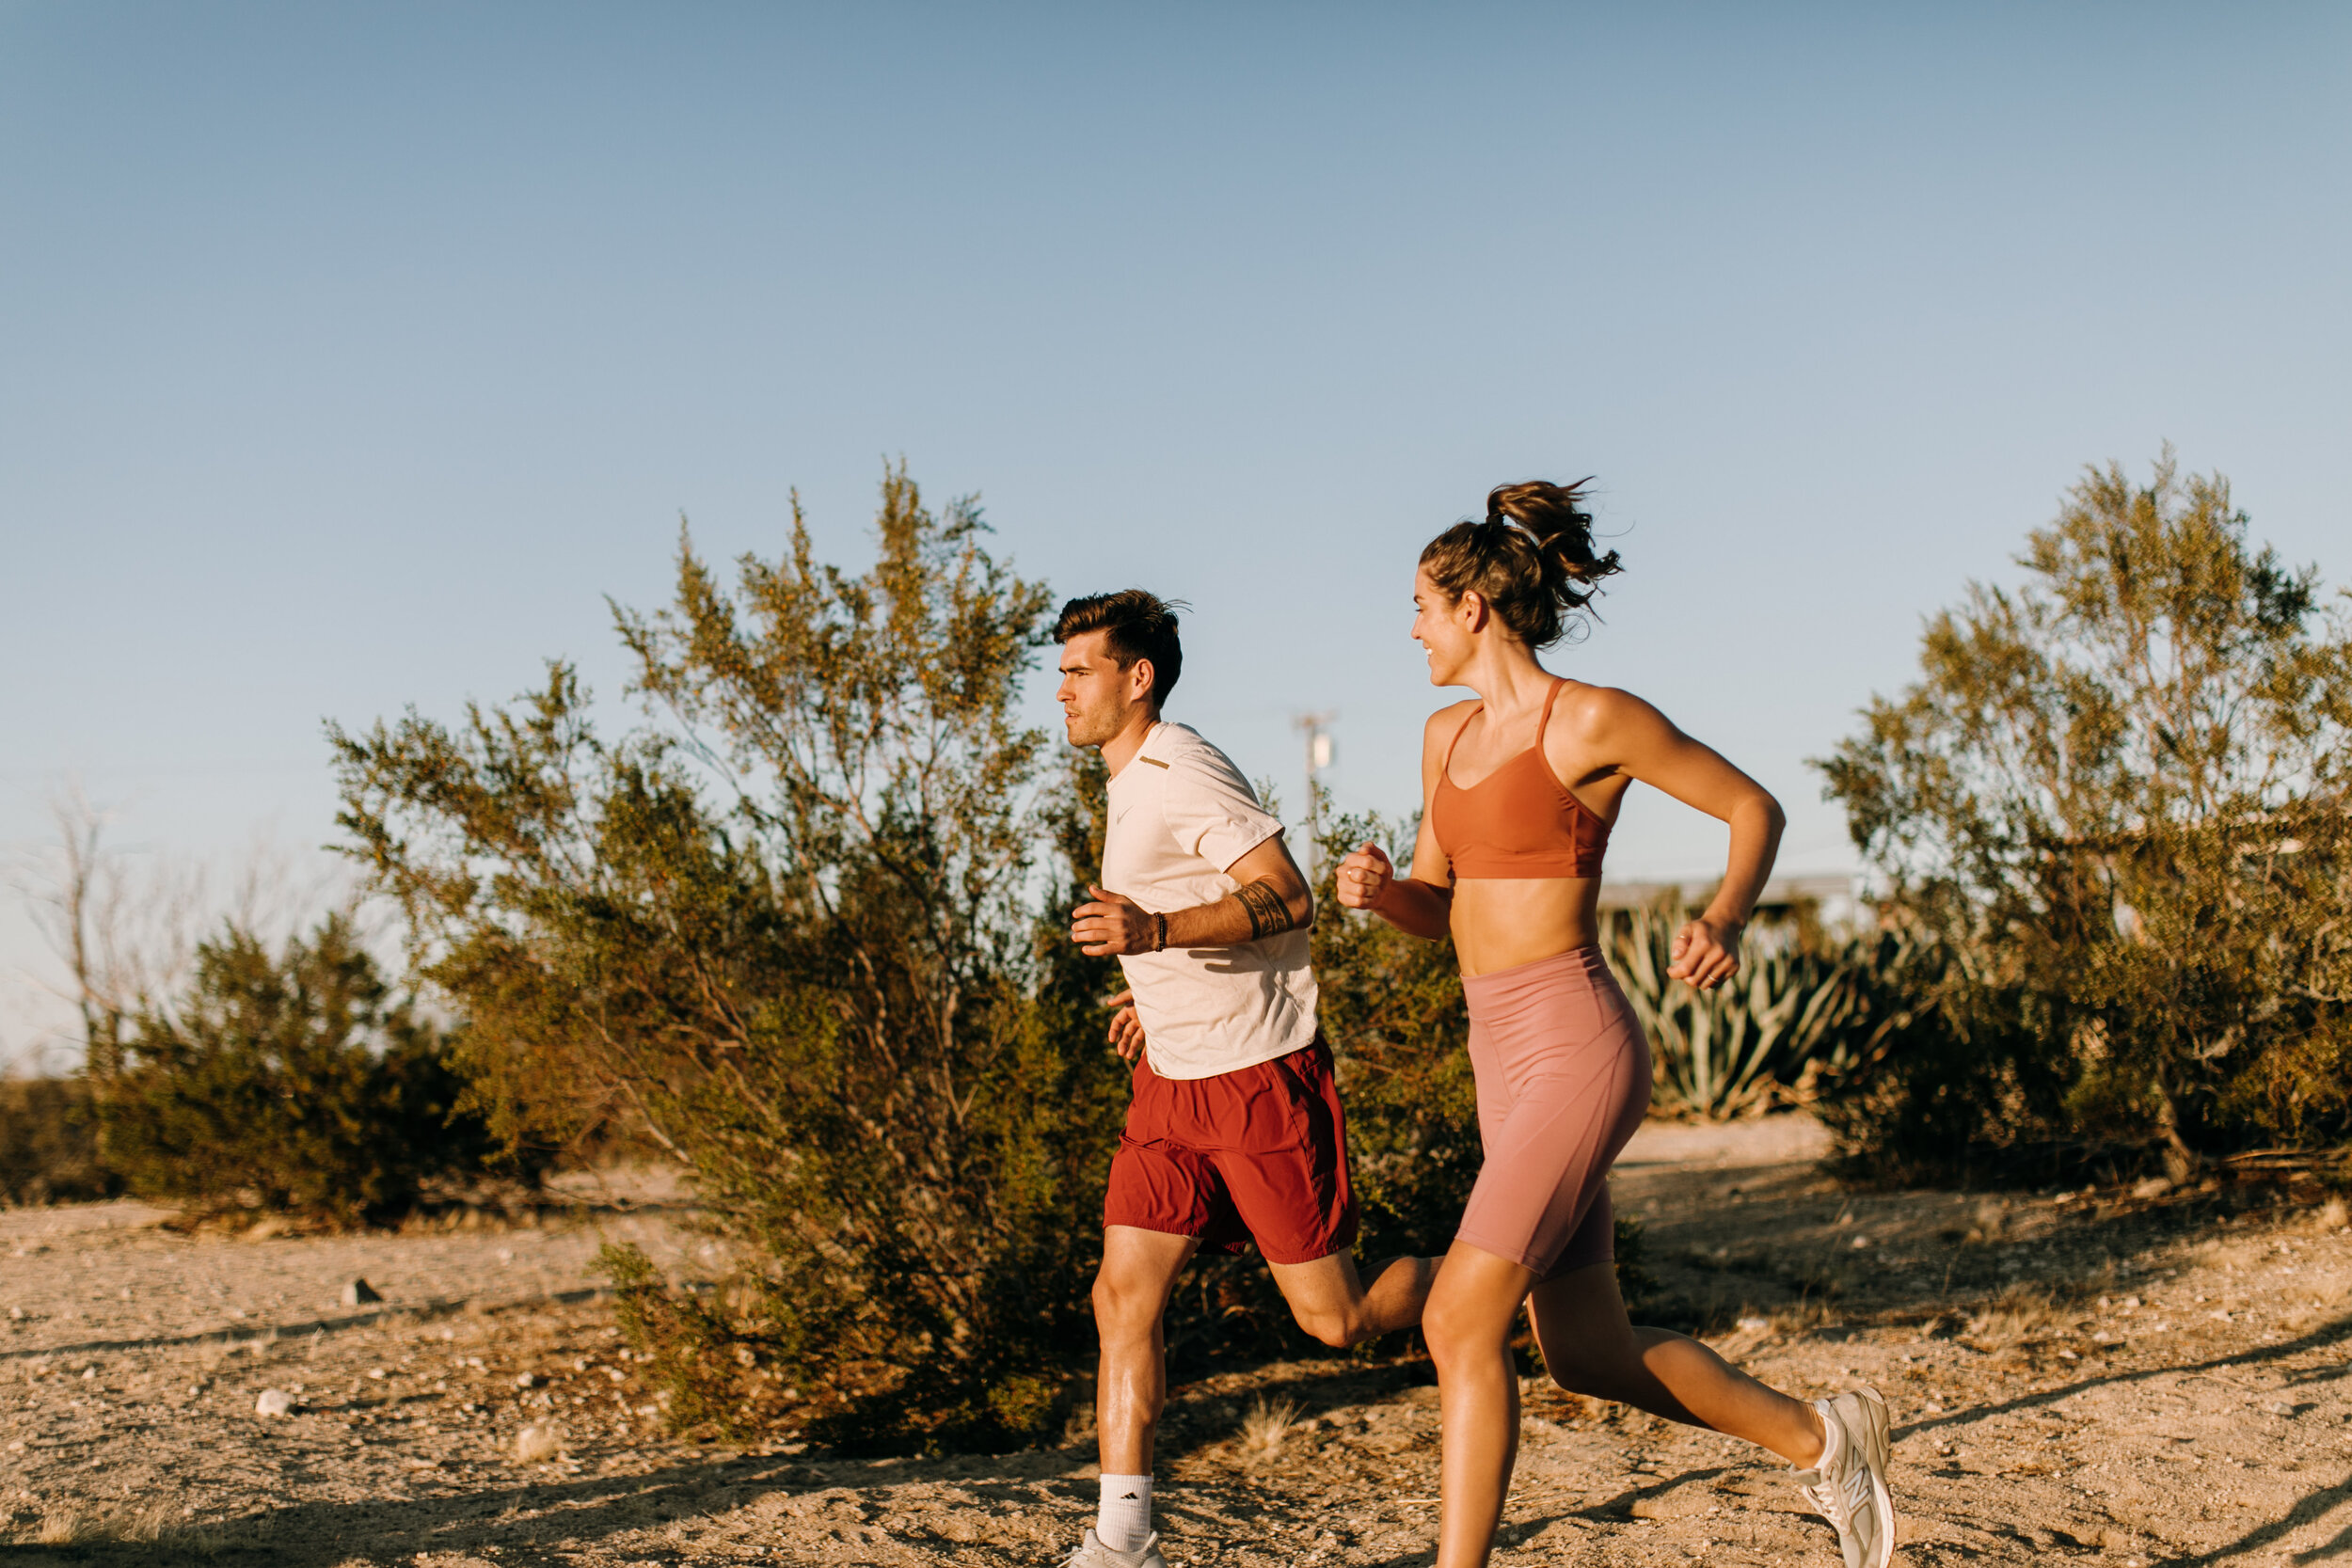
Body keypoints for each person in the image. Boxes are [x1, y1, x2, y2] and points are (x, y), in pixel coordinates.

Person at [1334, 482, 1898, 1568]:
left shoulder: (1588, 718)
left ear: (1471, 607)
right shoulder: (1441, 735)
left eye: (1417, 603)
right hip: (1495, 1052)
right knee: (1585, 1352)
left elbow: (1752, 807)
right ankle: (1827, 1438)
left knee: (1459, 1319)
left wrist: (1725, 915)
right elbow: (1434, 903)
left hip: (1575, 1041)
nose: (1407, 626)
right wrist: (1376, 893)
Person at [1054, 589, 1439, 1568]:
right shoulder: (1126, 775)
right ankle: (1122, 1539)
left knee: (1334, 1319)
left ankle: (1505, 1279)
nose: (1061, 690)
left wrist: (1152, 933)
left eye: (1078, 669)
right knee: (1120, 1296)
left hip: (1258, 1081)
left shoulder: (1181, 767)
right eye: (1059, 670)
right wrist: (1160, 989)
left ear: (1137, 677)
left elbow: (1287, 894)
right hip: (1172, 1085)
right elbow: (1191, 901)